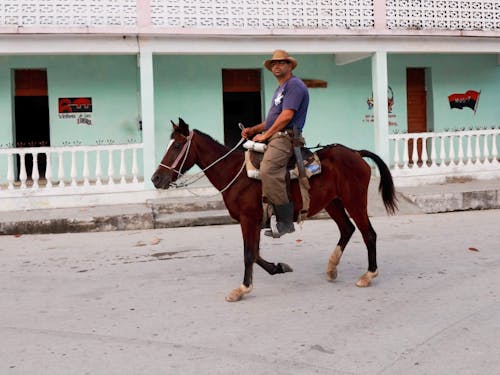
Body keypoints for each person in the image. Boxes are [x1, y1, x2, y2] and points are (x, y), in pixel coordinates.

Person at [241, 50, 310, 238]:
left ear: (289, 66)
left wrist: (265, 136)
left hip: (285, 137)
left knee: (268, 170)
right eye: (273, 64)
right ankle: (263, 213)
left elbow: (287, 116)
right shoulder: (280, 88)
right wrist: (255, 130)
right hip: (274, 134)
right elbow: (272, 119)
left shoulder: (294, 85)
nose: (276, 66)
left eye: (281, 62)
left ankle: (285, 221)